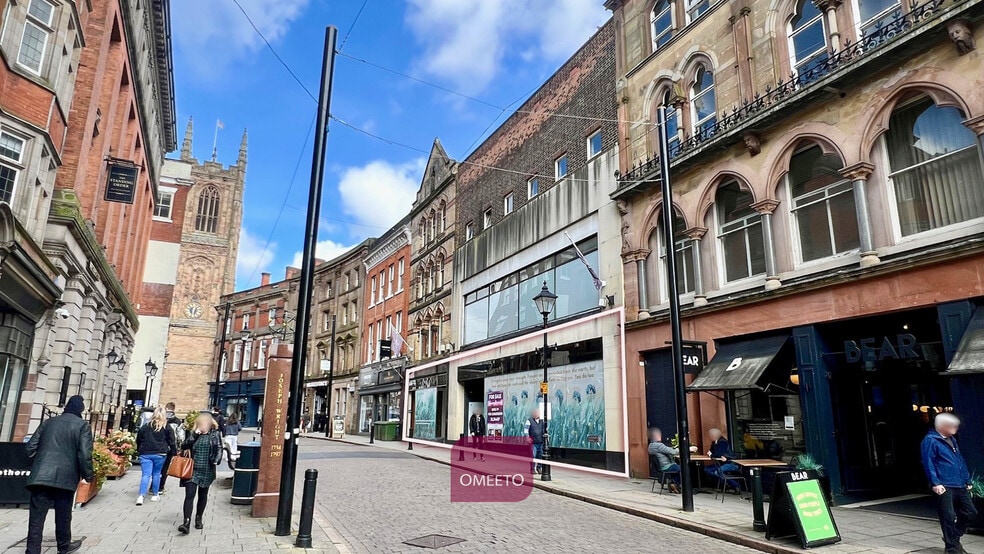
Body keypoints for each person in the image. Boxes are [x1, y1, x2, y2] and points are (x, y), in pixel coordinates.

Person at [24, 395, 93, 554]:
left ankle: (32, 551)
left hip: (41, 477)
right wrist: (88, 475)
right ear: (81, 410)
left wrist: (39, 463)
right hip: (65, 477)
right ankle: (64, 546)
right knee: (63, 515)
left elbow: (30, 448)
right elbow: (84, 454)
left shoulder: (48, 422)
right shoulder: (82, 425)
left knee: (36, 518)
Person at [921, 413, 977, 554]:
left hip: (959, 483)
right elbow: (928, 462)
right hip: (944, 485)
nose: (956, 427)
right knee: (948, 516)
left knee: (971, 512)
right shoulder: (930, 440)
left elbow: (960, 460)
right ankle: (952, 548)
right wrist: (935, 483)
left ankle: (952, 538)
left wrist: (967, 479)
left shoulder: (952, 439)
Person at [177, 413, 223, 534]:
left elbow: (219, 448)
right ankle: (186, 523)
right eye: (202, 423)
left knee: (203, 495)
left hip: (207, 468)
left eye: (206, 423)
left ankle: (198, 518)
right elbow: (184, 445)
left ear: (210, 424)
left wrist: (216, 460)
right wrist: (195, 435)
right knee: (189, 495)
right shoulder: (193, 434)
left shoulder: (215, 434)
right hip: (192, 469)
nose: (204, 425)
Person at [135, 406, 174, 505]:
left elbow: (138, 438)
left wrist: (139, 449)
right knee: (156, 474)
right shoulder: (167, 427)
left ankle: (141, 496)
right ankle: (155, 495)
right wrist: (174, 452)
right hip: (160, 453)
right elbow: (172, 441)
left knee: (145, 475)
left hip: (145, 453)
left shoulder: (146, 426)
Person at [159, 402, 185, 494]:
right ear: (174, 409)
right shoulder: (177, 421)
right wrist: (179, 448)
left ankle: (153, 486)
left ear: (166, 408)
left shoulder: (160, 418)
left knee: (156, 468)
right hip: (170, 447)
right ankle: (160, 487)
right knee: (165, 468)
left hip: (158, 446)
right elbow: (181, 437)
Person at [648, 427, 682, 493]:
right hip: (667, 466)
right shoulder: (659, 445)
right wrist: (684, 449)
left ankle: (673, 483)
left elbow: (666, 449)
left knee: (676, 468)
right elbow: (673, 452)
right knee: (684, 469)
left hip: (660, 467)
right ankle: (674, 483)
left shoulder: (650, 446)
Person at [524, 408, 546, 474]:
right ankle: (532, 469)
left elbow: (544, 430)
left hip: (540, 441)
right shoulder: (529, 421)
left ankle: (539, 468)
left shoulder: (542, 421)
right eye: (535, 413)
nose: (536, 414)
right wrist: (527, 437)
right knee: (533, 456)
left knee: (540, 456)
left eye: (537, 413)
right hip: (533, 442)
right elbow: (526, 430)